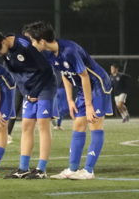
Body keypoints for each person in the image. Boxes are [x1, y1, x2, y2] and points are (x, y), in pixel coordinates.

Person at [24, 21, 112, 180]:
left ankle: (89, 171)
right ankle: (72, 169)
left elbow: (85, 76)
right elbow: (65, 74)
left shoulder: (69, 51)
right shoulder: (50, 54)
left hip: (98, 85)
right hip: (83, 87)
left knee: (94, 123)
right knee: (78, 125)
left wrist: (89, 105)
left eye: (32, 41)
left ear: (42, 41)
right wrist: (70, 100)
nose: (32, 44)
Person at [0, 31, 57, 179]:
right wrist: (26, 93)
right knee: (26, 126)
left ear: (3, 41)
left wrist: (35, 92)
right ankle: (23, 168)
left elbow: (46, 70)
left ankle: (41, 169)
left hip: (44, 86)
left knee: (43, 125)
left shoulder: (25, 46)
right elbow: (15, 75)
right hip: (29, 90)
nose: (0, 54)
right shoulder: (6, 52)